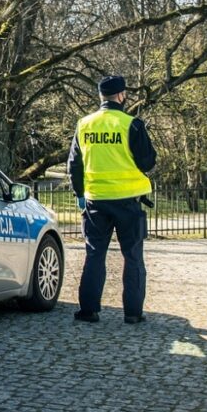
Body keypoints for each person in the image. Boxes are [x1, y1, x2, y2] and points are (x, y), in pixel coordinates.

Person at [67, 75, 156, 324]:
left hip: (96, 200)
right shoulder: (132, 124)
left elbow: (74, 164)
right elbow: (147, 162)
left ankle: (88, 310)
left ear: (101, 96)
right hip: (128, 200)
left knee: (95, 254)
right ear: (121, 95)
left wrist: (80, 194)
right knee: (133, 256)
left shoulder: (84, 125)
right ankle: (133, 313)